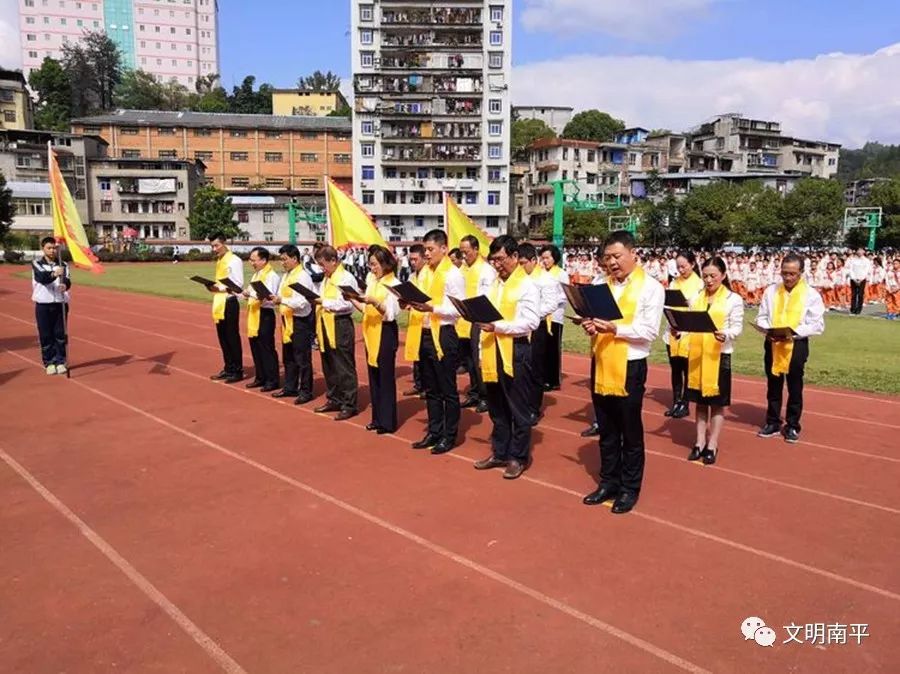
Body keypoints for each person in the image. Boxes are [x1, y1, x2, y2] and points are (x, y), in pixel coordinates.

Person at [581, 231, 664, 514]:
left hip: (630, 365)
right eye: (607, 258)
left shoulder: (650, 287)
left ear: (633, 255)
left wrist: (615, 329)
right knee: (605, 428)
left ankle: (629, 488)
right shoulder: (598, 284)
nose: (612, 263)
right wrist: (591, 325)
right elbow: (593, 319)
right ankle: (608, 481)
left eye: (617, 256)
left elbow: (648, 331)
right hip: (602, 361)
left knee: (629, 430)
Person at [472, 236, 540, 479]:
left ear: (514, 257)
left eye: (501, 259)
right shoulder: (494, 284)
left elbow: (531, 321)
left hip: (515, 350)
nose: (497, 265)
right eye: (494, 260)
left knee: (517, 407)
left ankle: (518, 457)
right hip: (491, 349)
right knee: (497, 407)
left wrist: (498, 327)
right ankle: (500, 451)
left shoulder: (526, 285)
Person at [405, 229, 465, 455]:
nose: (426, 254)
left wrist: (433, 308)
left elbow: (458, 309)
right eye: (425, 249)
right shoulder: (426, 273)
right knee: (430, 388)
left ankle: (449, 435)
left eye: (430, 249)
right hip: (425, 332)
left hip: (444, 334)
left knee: (447, 388)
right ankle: (434, 430)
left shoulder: (452, 274)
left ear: (444, 249)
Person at [756, 253, 826, 443]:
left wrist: (792, 332)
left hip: (796, 343)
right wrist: (766, 327)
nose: (787, 278)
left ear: (801, 273)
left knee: (795, 385)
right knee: (773, 384)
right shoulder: (771, 291)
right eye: (784, 273)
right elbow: (761, 315)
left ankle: (793, 424)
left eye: (792, 274)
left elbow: (817, 324)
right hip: (773, 342)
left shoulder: (811, 294)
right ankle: (772, 421)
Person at [682, 257, 744, 465]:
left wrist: (725, 334)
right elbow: (689, 324)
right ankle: (699, 441)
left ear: (723, 276)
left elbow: (737, 328)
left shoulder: (732, 299)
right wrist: (678, 330)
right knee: (700, 402)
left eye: (713, 276)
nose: (709, 280)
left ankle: (712, 443)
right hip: (698, 355)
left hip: (719, 356)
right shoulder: (695, 298)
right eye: (705, 276)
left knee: (716, 404)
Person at [348, 246, 401, 434]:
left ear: (385, 264)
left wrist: (375, 302)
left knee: (385, 377)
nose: (371, 268)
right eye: (370, 264)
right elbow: (366, 309)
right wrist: (352, 299)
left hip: (385, 332)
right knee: (373, 375)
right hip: (370, 330)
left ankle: (388, 421)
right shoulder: (372, 281)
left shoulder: (393, 283)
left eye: (374, 264)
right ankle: (377, 418)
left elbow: (391, 314)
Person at [312, 245, 360, 420]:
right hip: (325, 322)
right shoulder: (327, 278)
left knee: (343, 365)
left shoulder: (346, 277)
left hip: (340, 324)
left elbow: (348, 304)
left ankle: (349, 403)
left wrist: (324, 302)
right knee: (328, 363)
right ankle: (334, 398)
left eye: (323, 264)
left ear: (333, 260)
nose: (322, 268)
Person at [518, 241, 560, 425]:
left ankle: (533, 408)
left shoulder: (546, 279)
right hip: (520, 327)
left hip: (537, 328)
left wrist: (532, 314)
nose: (521, 266)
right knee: (521, 367)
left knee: (535, 369)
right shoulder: (518, 279)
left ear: (533, 260)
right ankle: (521, 403)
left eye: (523, 263)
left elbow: (551, 304)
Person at [271, 245, 315, 404]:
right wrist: (275, 298)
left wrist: (282, 300)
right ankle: (290, 387)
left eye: (284, 259)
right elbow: (281, 295)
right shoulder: (286, 276)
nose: (282, 263)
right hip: (286, 320)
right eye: (281, 259)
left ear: (294, 259)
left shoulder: (302, 276)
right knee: (288, 356)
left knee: (302, 358)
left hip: (300, 321)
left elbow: (303, 302)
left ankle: (306, 391)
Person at [457, 234, 496, 413]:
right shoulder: (462, 269)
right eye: (462, 252)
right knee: (469, 361)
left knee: (479, 359)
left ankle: (486, 396)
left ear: (476, 250)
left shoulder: (486, 270)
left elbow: (486, 297)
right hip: (464, 319)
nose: (464, 256)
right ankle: (474, 392)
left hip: (480, 319)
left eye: (467, 252)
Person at [663, 251, 703, 419]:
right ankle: (676, 401)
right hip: (673, 330)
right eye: (678, 267)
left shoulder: (700, 284)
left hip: (689, 331)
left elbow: (700, 308)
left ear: (692, 264)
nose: (680, 270)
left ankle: (685, 403)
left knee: (687, 369)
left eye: (683, 266)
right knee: (675, 369)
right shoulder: (674, 283)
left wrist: (688, 303)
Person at [242, 247, 280, 392]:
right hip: (254, 312)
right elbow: (252, 292)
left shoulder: (272, 276)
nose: (251, 263)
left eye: (254, 260)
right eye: (250, 260)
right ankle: (260, 377)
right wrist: (247, 293)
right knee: (255, 346)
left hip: (265, 314)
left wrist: (258, 295)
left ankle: (272, 379)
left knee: (266, 347)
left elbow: (271, 298)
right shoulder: (256, 275)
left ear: (264, 260)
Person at [208, 232, 244, 383]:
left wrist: (220, 289)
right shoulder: (220, 260)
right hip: (219, 302)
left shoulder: (234, 260)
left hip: (229, 302)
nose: (214, 249)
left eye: (216, 245)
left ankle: (237, 370)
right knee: (222, 337)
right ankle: (228, 367)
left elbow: (238, 285)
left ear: (224, 243)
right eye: (212, 246)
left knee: (232, 336)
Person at [32, 237, 71, 375]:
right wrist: (55, 273)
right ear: (43, 248)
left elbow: (67, 280)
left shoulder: (63, 264)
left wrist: (64, 285)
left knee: (60, 334)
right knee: (46, 335)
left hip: (60, 304)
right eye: (49, 248)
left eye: (54, 248)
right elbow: (42, 278)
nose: (52, 250)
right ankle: (49, 362)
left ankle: (61, 361)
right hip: (43, 304)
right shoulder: (37, 263)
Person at [539, 244, 569, 392]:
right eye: (543, 258)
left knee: (553, 348)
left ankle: (553, 379)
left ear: (554, 258)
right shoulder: (540, 273)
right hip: (542, 316)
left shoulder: (561, 274)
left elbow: (565, 295)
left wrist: (550, 302)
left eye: (547, 258)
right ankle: (543, 377)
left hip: (555, 316)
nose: (545, 261)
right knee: (542, 347)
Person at [403, 243, 428, 397]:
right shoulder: (412, 276)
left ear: (424, 258)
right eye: (411, 260)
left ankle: (427, 386)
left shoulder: (429, 275)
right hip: (414, 318)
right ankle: (418, 384)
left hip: (426, 319)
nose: (413, 262)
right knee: (416, 354)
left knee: (425, 356)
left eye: (415, 259)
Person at [847, 247, 871, 315]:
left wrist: (861, 279)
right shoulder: (853, 260)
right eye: (858, 250)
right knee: (853, 294)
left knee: (860, 295)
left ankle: (859, 309)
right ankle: (853, 309)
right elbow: (850, 270)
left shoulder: (866, 260)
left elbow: (866, 271)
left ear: (864, 251)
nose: (860, 252)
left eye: (861, 250)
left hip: (862, 279)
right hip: (853, 279)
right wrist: (854, 278)